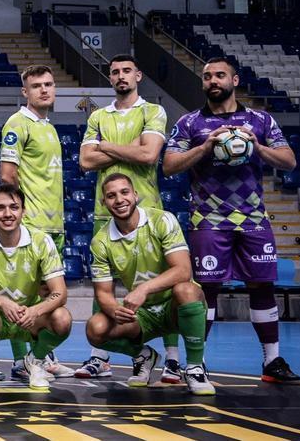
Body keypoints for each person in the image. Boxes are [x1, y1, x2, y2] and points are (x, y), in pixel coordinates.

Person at [164, 56, 300, 384]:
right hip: (208, 220)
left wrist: (257, 147)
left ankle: (272, 361)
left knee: (262, 286)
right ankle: (197, 363)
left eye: (220, 75)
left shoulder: (260, 121)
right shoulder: (189, 124)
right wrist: (206, 147)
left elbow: (289, 161)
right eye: (208, 76)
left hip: (254, 220)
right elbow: (169, 165)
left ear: (234, 80)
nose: (213, 81)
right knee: (207, 289)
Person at [77, 54, 175, 380]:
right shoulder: (98, 117)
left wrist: (106, 146)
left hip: (148, 210)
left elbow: (149, 154)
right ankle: (98, 357)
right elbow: (85, 162)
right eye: (115, 72)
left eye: (126, 71)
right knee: (102, 286)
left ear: (138, 75)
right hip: (104, 211)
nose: (121, 76)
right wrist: (128, 146)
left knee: (163, 285)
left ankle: (173, 359)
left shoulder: (153, 111)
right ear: (110, 78)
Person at [84, 173, 213, 395]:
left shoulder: (162, 220)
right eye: (111, 196)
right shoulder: (100, 241)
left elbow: (183, 270)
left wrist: (144, 288)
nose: (119, 200)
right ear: (104, 203)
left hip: (174, 306)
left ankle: (194, 367)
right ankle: (143, 354)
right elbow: (103, 293)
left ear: (135, 194)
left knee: (187, 289)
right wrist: (115, 311)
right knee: (95, 328)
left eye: (124, 192)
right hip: (141, 315)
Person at [0, 183, 72, 392]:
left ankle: (36, 362)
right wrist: (2, 302)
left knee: (63, 318)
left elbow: (60, 292)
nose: (7, 213)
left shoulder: (42, 241)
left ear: (23, 211)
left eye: (14, 207)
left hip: (30, 316)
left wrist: (35, 310)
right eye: (0, 208)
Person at [0, 65, 71, 380]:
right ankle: (21, 360)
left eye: (49, 84)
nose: (44, 90)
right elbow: (7, 175)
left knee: (45, 295)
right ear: (24, 92)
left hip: (55, 225)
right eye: (36, 86)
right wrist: (18, 220)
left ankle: (39, 356)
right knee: (24, 293)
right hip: (33, 224)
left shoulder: (50, 128)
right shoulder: (18, 123)